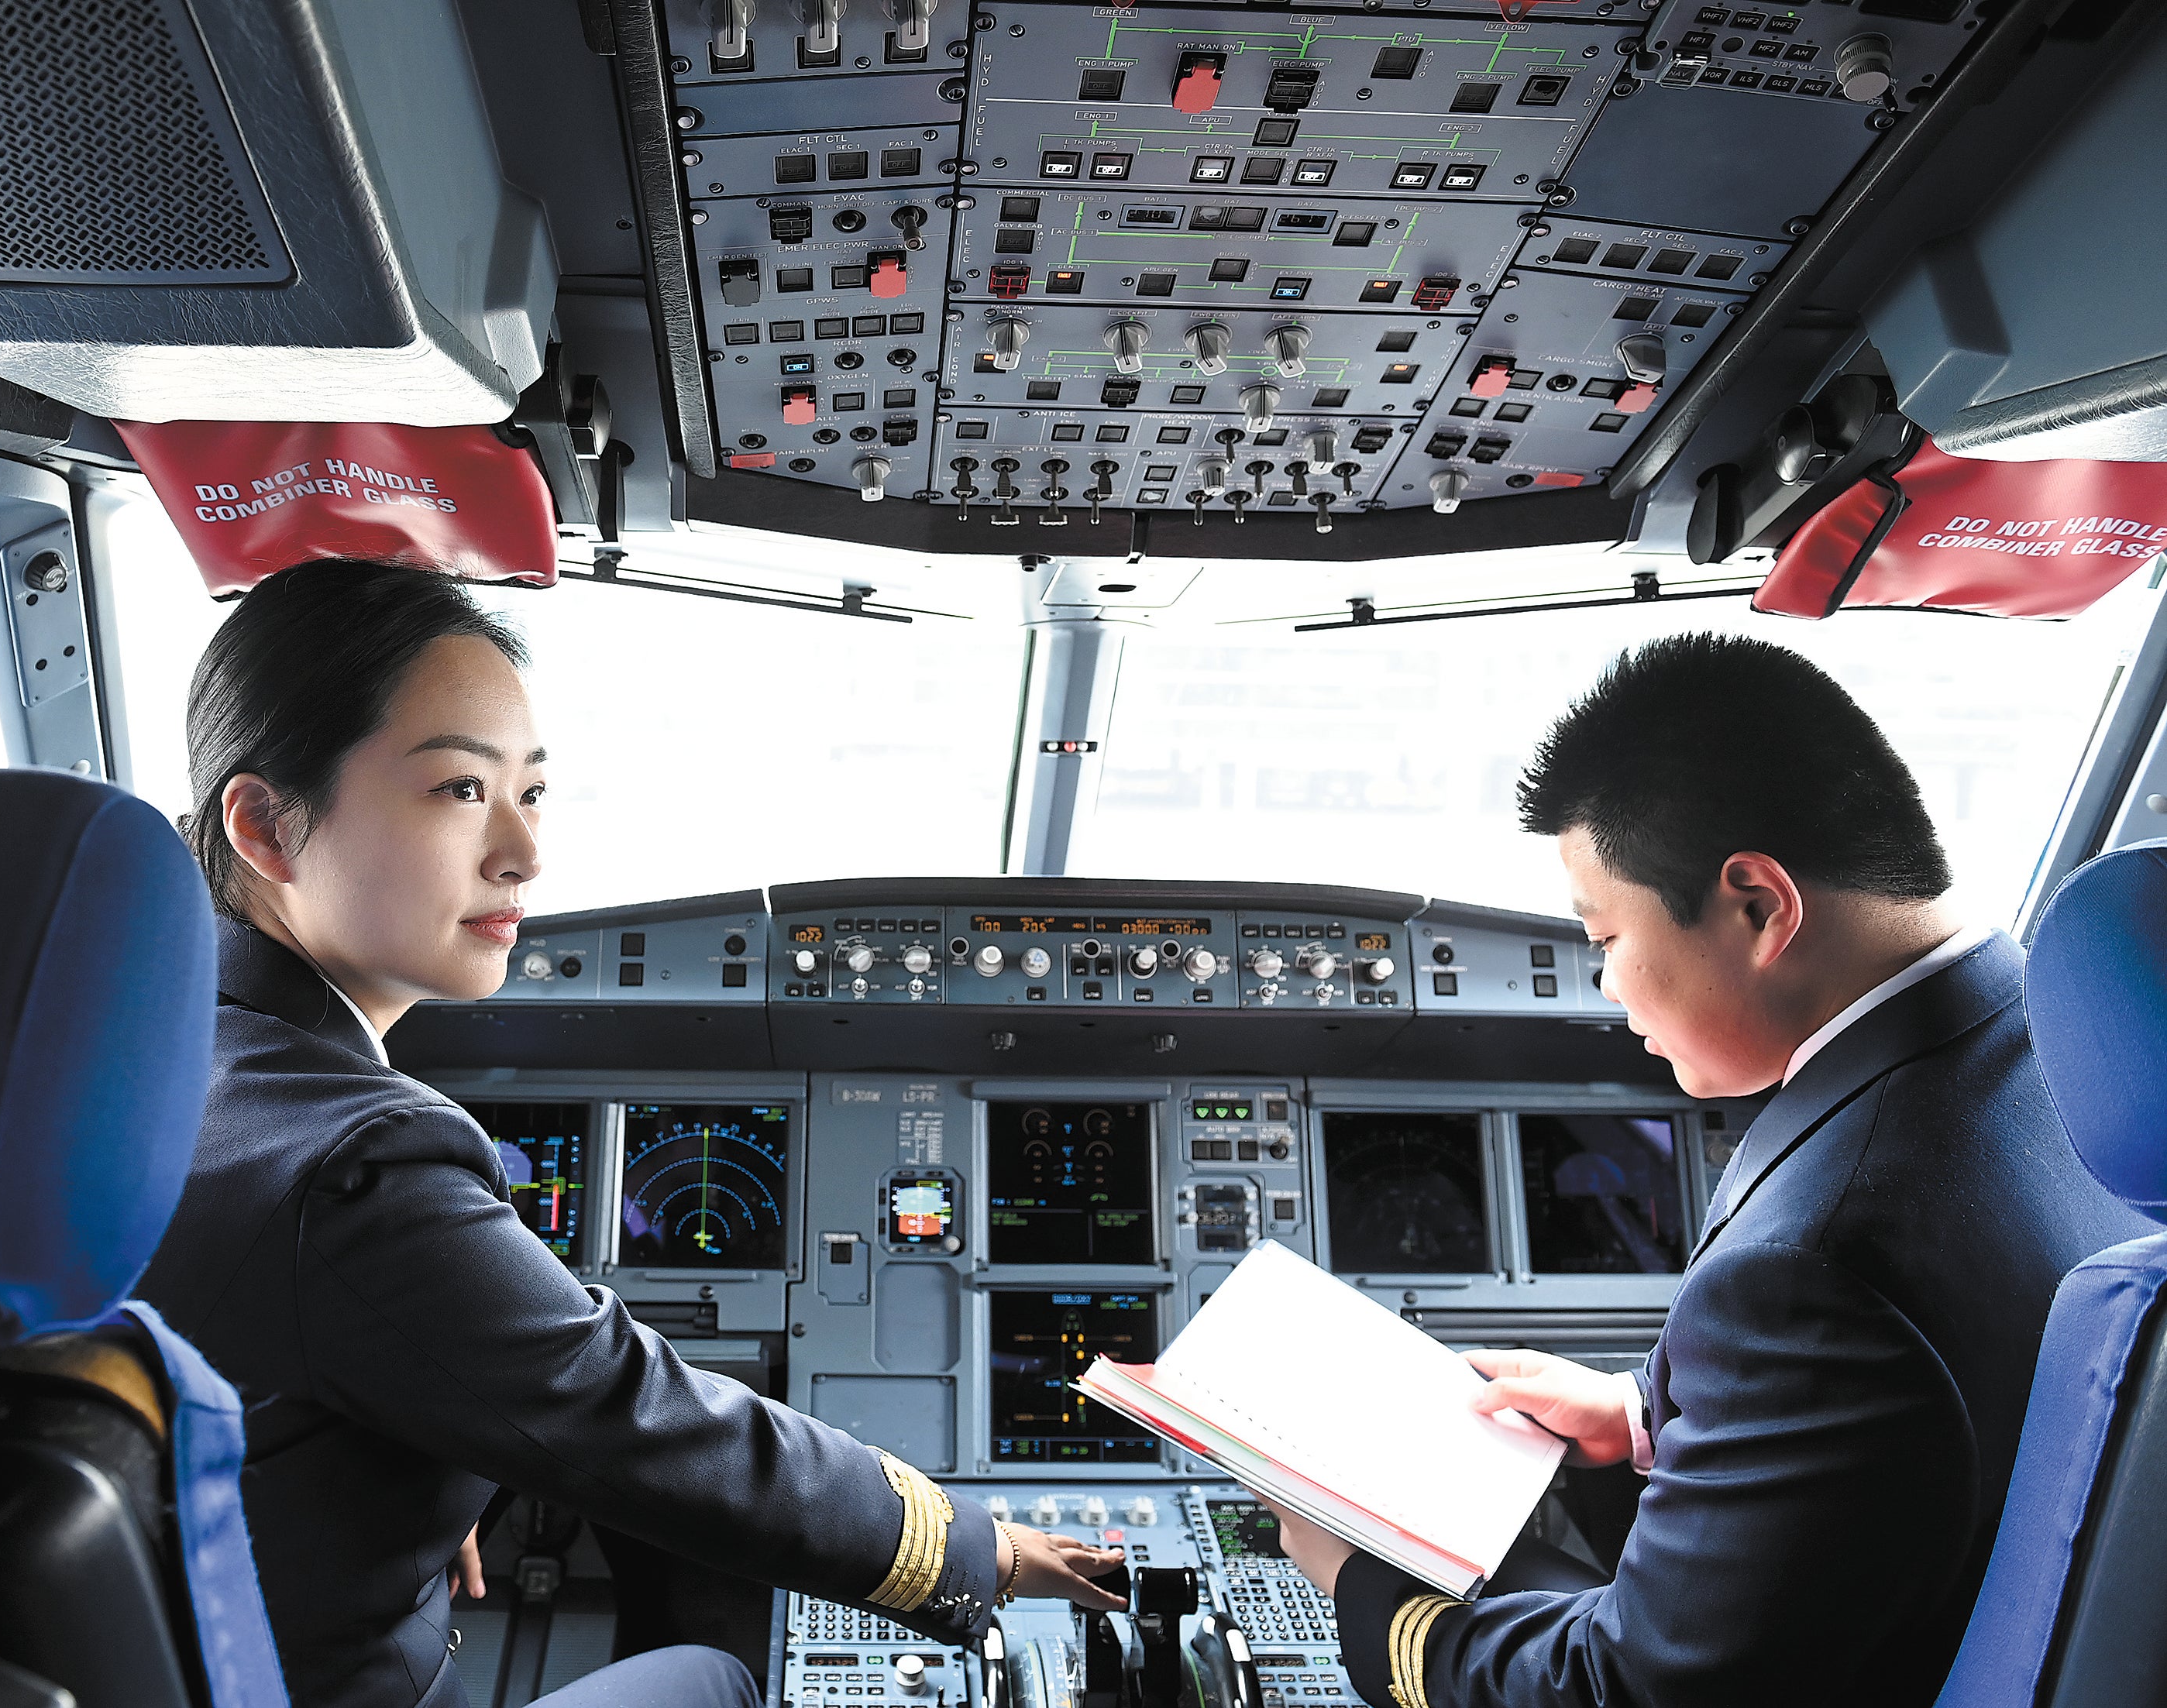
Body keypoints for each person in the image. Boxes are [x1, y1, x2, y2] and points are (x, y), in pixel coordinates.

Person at [136, 562, 1124, 1708]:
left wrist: (420, 1472)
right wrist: (974, 1546)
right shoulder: (359, 1165)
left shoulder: (150, 1053)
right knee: (712, 1680)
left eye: (532, 791)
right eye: (460, 788)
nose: (523, 852)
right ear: (265, 825)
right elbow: (635, 1416)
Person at [1277, 633, 2149, 1708]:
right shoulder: (2068, 1051)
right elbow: (1911, 1431)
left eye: (1606, 937)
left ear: (1758, 905)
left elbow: (1626, 1689)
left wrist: (1363, 1584)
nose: (1607, 984)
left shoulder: (1817, 1265)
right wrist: (1644, 1417)